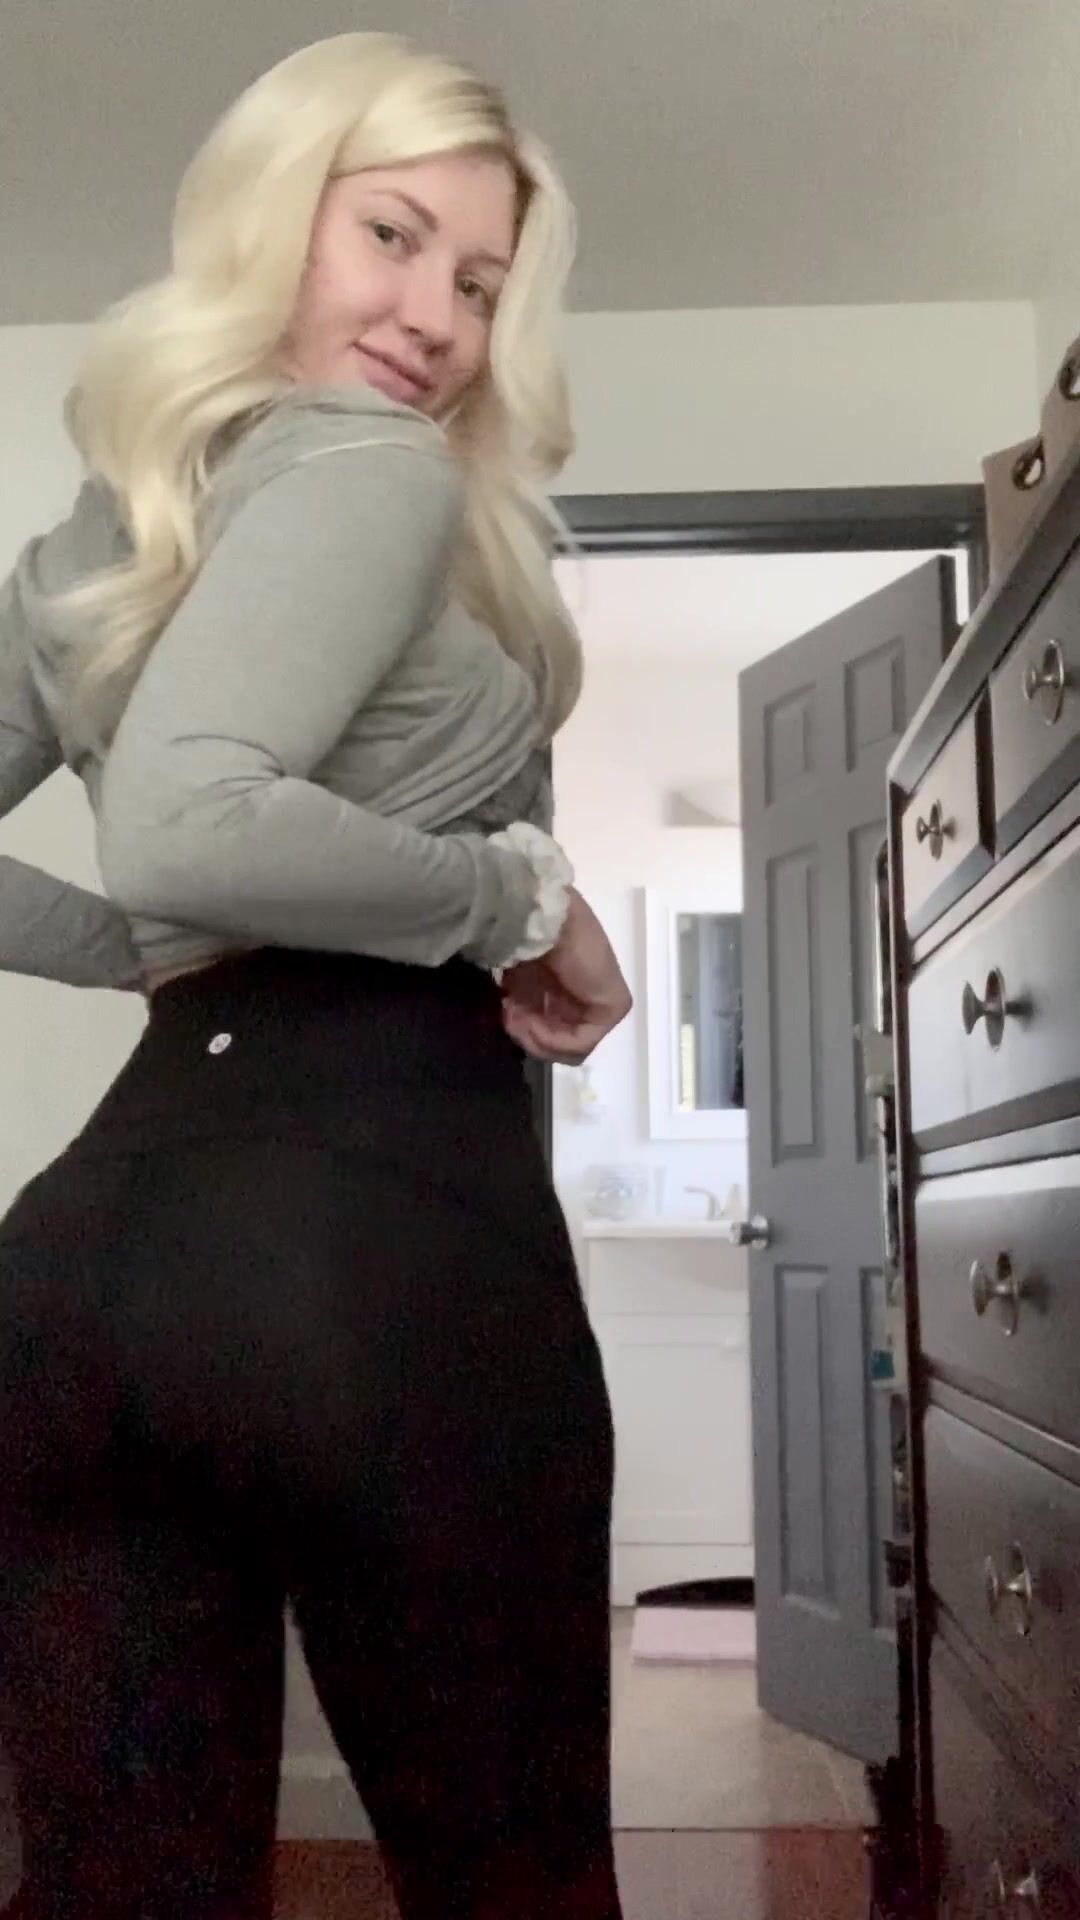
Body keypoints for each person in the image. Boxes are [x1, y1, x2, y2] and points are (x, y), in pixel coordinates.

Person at [0, 32, 632, 1919]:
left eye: (482, 284)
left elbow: (175, 854)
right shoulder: (367, 464)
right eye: (393, 235)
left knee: (121, 1892)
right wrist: (515, 898)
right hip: (377, 1237)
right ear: (270, 210)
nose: (437, 318)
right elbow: (194, 823)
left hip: (78, 1271)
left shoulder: (80, 552)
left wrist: (151, 955)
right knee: (512, 1883)